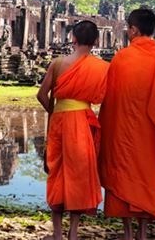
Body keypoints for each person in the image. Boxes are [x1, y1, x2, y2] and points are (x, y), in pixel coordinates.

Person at [99, 8, 155, 240]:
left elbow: (111, 101)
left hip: (123, 132)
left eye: (128, 28)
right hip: (151, 134)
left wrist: (105, 131)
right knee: (146, 179)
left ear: (134, 29)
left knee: (122, 177)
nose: (128, 32)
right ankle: (142, 232)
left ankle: (128, 232)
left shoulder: (122, 58)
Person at [36, 20, 109, 240]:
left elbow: (41, 95)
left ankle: (57, 233)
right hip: (82, 122)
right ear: (96, 41)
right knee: (79, 174)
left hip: (60, 121)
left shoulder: (58, 63)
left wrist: (56, 110)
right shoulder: (102, 67)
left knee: (57, 171)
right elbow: (105, 98)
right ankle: (73, 232)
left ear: (73, 39)